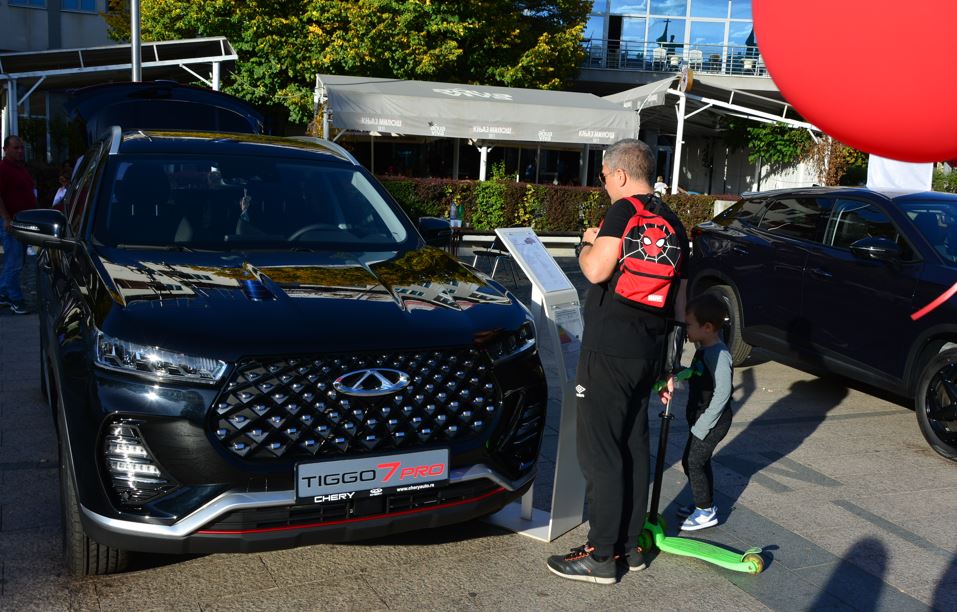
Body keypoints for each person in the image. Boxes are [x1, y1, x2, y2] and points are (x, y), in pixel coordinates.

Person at [546, 138, 689, 584]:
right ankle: (631, 546)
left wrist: (586, 244)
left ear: (621, 174)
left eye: (605, 175)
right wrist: (670, 366)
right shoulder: (673, 221)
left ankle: (601, 554)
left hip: (608, 351)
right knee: (632, 446)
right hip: (649, 353)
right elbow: (682, 304)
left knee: (601, 452)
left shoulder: (623, 211)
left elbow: (595, 270)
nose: (604, 183)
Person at [661, 293, 733, 532]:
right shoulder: (704, 349)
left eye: (689, 324)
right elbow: (696, 373)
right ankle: (703, 500)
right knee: (697, 461)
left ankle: (706, 511)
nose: (686, 329)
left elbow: (723, 393)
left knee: (693, 461)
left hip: (713, 421)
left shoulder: (719, 355)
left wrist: (704, 425)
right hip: (702, 417)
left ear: (707, 327)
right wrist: (677, 375)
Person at [0, 135, 37, 315]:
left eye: (21, 147)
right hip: (11, 222)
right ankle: (15, 298)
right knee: (15, 262)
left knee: (16, 260)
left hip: (22, 221)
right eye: (16, 148)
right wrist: (6, 218)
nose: (20, 151)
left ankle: (3, 292)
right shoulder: (3, 168)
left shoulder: (20, 168)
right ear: (5, 149)